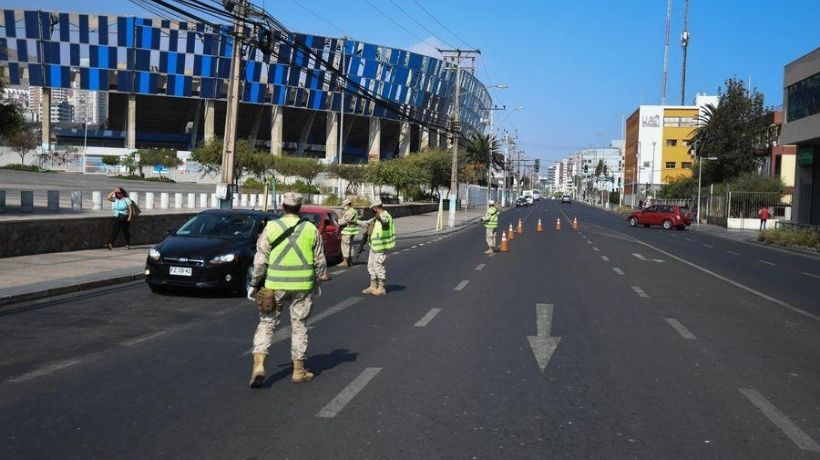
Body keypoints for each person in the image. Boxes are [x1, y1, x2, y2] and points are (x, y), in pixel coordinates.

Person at [246, 192, 327, 388]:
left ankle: (259, 366)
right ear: (300, 208)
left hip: (275, 285)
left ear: (282, 207)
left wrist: (255, 283)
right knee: (299, 326)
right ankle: (298, 371)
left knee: (266, 324)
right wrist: (318, 280)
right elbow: (320, 261)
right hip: (302, 287)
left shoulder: (271, 227)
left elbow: (260, 260)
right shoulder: (310, 228)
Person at [360, 199, 394, 296]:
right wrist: (356, 221)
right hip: (374, 245)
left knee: (378, 266)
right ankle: (373, 285)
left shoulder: (385, 215)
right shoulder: (376, 217)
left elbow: (385, 221)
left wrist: (378, 216)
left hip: (381, 246)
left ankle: (381, 287)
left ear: (376, 208)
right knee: (371, 265)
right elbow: (367, 223)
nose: (372, 210)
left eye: (372, 209)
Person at [337, 198, 359, 267]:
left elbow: (342, 222)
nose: (344, 207)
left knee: (345, 246)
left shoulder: (350, 212)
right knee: (350, 246)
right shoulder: (353, 211)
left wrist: (338, 220)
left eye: (344, 206)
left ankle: (345, 261)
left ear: (347, 205)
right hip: (352, 231)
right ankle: (350, 261)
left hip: (347, 232)